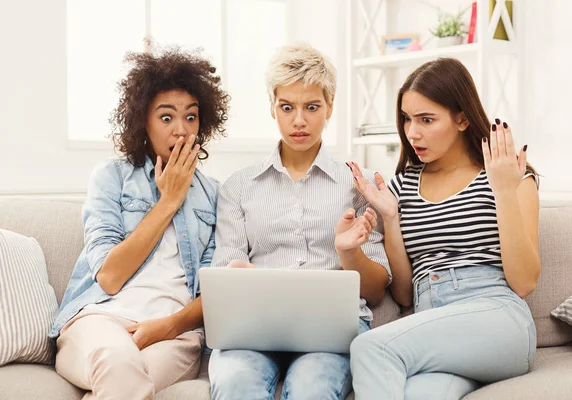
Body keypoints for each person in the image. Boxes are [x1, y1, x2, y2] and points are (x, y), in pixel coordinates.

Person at [348, 57, 540, 400]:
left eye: (426, 119)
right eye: (407, 119)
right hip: (433, 322)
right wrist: (392, 220)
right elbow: (405, 295)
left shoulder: (507, 176)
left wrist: (504, 191)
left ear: (463, 119)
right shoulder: (403, 185)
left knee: (370, 348)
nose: (412, 132)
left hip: (498, 318)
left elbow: (524, 282)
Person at [207, 43, 391, 400]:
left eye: (312, 107)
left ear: (330, 107)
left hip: (331, 330)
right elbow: (219, 281)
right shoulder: (238, 187)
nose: (299, 121)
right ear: (272, 107)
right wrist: (234, 273)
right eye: (286, 107)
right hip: (252, 328)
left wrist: (349, 252)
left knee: (313, 388)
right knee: (235, 384)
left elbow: (375, 290)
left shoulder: (357, 184)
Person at [49, 47, 229, 400]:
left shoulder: (215, 196)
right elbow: (110, 276)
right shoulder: (111, 178)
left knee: (119, 383)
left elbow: (215, 290)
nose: (181, 130)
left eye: (191, 118)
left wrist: (166, 327)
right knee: (117, 364)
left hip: (174, 335)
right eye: (166, 118)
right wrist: (169, 202)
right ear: (142, 122)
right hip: (99, 321)